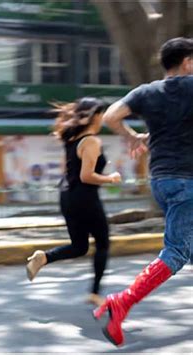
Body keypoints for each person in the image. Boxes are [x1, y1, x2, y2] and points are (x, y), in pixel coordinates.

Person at [93, 37, 193, 347]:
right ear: (188, 62)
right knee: (177, 251)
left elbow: (110, 116)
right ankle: (123, 301)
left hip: (160, 181)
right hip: (187, 183)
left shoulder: (147, 92)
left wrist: (134, 136)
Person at [26, 97, 122, 306]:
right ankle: (95, 293)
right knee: (103, 243)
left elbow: (69, 171)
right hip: (85, 196)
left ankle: (44, 257)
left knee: (79, 246)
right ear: (95, 116)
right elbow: (86, 176)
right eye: (102, 114)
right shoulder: (91, 141)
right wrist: (110, 178)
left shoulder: (71, 140)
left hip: (67, 196)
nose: (103, 118)